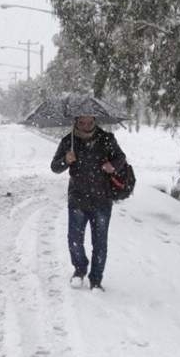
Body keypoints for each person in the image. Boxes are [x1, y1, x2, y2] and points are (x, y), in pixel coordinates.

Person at [50, 115, 126, 290]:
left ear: (95, 120)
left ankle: (96, 279)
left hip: (102, 199)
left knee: (100, 243)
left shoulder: (107, 139)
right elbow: (54, 167)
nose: (86, 126)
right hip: (77, 198)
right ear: (76, 122)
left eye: (90, 122)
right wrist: (65, 160)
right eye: (82, 122)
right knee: (74, 240)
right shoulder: (68, 141)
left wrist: (112, 166)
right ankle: (80, 269)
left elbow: (121, 157)